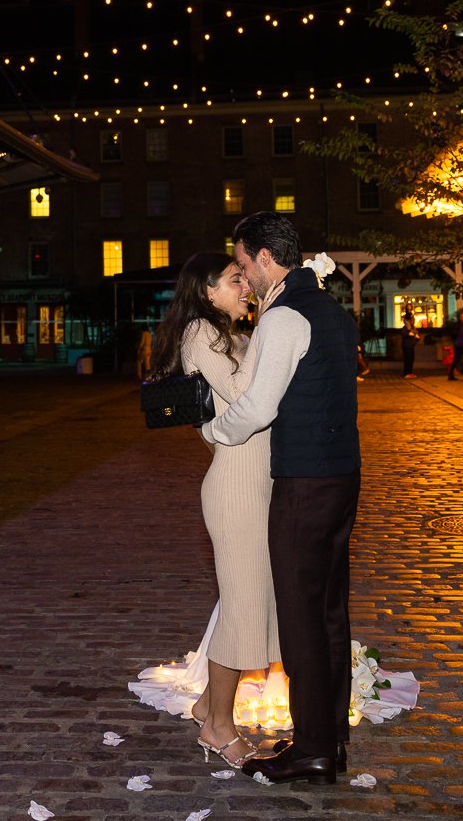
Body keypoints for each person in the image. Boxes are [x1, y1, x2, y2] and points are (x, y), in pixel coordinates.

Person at [203, 212, 360, 786]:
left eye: (243, 265)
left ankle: (314, 748)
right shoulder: (332, 311)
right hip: (344, 476)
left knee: (299, 617)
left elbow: (258, 408)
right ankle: (330, 738)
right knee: (330, 613)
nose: (243, 278)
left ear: (266, 257)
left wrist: (214, 431)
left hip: (305, 484)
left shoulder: (287, 316)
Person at [148, 251, 273, 770]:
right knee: (243, 606)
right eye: (234, 279)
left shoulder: (230, 334)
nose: (244, 285)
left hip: (258, 479)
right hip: (236, 483)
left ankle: (207, 703)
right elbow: (244, 393)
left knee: (249, 600)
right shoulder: (201, 332)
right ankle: (217, 726)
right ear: (205, 290)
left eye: (244, 277)